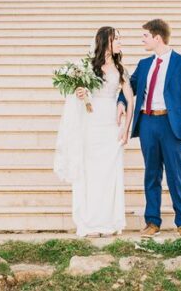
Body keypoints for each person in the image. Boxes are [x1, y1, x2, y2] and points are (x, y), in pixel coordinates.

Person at [118, 18, 181, 239]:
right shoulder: (144, 64)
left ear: (157, 37)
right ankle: (152, 222)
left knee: (175, 175)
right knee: (151, 174)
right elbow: (130, 88)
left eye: (145, 36)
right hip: (147, 123)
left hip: (171, 126)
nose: (142, 40)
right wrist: (120, 102)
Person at [53, 26, 134, 237]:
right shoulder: (87, 67)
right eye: (116, 39)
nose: (120, 42)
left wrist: (126, 128)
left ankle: (109, 221)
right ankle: (89, 222)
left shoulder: (120, 69)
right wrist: (80, 93)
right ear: (105, 41)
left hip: (112, 126)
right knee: (90, 173)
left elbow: (130, 98)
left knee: (110, 173)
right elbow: (81, 94)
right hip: (91, 124)